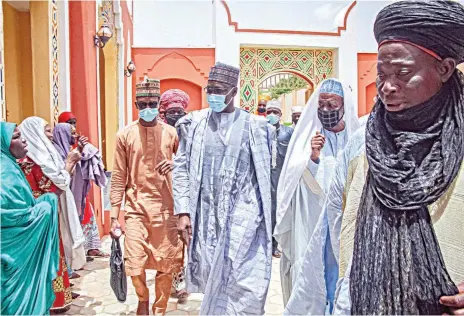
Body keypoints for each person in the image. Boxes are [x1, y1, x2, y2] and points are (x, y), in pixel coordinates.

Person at [333, 1, 464, 314]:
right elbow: (344, 226)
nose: (388, 87)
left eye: (404, 73)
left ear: (444, 69)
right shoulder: (363, 142)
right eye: (381, 74)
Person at [174, 62, 274, 314]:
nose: (213, 95)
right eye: (210, 89)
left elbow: (265, 176)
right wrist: (183, 211)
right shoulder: (194, 124)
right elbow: (182, 168)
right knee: (214, 282)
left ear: (234, 91)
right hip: (206, 218)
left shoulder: (257, 127)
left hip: (244, 221)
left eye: (220, 89)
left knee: (246, 285)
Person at [274, 78, 361, 305]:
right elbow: (294, 182)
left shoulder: (357, 138)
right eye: (321, 105)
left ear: (344, 106)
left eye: (332, 105)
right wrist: (312, 157)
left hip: (346, 222)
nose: (325, 110)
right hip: (313, 222)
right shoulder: (306, 138)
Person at [110, 77, 183, 316]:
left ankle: (159, 307)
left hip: (166, 210)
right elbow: (119, 176)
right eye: (143, 104)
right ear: (136, 104)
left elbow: (186, 168)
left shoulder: (171, 134)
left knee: (167, 263)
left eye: (153, 103)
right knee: (134, 263)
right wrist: (114, 217)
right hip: (135, 210)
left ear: (159, 104)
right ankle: (143, 298)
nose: (148, 108)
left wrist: (174, 166)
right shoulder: (125, 135)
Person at [18, 116, 86, 313]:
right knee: (48, 255)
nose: (50, 135)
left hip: (48, 214)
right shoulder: (30, 161)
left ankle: (60, 295)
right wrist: (68, 164)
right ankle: (52, 301)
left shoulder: (43, 155)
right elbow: (53, 187)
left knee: (56, 253)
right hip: (38, 216)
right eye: (47, 130)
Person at [1, 122, 60, 315]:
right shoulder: (6, 174)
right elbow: (17, 221)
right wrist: (46, 205)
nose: (23, 140)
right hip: (16, 258)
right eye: (16, 137)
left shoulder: (9, 166)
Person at [58, 112, 108, 259]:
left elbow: (89, 154)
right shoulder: (59, 147)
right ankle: (75, 255)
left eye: (74, 122)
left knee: (86, 214)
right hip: (67, 191)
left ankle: (90, 248)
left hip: (79, 190)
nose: (73, 126)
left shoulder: (75, 141)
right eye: (69, 123)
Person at [266, 99, 294, 258]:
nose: (271, 115)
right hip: (265, 176)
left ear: (280, 115)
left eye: (275, 112)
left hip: (281, 177)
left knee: (278, 210)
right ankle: (265, 245)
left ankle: (275, 244)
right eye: (269, 112)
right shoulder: (261, 130)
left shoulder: (287, 132)